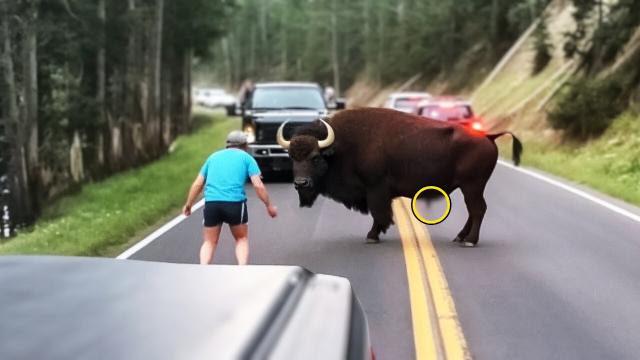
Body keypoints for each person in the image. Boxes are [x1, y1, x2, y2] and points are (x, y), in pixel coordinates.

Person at [182, 131, 277, 265]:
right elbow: (258, 185)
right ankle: (241, 269)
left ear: (228, 144)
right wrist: (269, 206)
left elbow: (198, 183)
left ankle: (202, 269)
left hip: (212, 204)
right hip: (235, 204)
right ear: (244, 145)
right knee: (241, 239)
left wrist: (188, 205)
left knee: (209, 241)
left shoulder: (212, 157)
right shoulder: (247, 158)